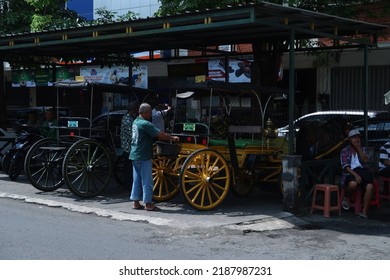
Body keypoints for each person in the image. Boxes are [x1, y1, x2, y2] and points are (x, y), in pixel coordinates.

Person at [130, 103, 179, 211]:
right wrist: (173, 138)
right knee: (147, 180)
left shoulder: (135, 122)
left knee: (136, 179)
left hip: (134, 154)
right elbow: (160, 135)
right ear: (146, 112)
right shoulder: (145, 124)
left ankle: (136, 202)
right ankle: (148, 203)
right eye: (150, 113)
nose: (151, 115)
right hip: (143, 155)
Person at [340, 129, 374, 218]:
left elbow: (366, 160)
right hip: (350, 172)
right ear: (349, 140)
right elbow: (345, 166)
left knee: (370, 187)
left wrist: (359, 149)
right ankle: (346, 197)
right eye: (354, 138)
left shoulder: (363, 149)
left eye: (358, 137)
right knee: (352, 184)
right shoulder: (344, 151)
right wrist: (355, 175)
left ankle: (364, 211)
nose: (356, 139)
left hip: (363, 171)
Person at [120, 100, 139, 191]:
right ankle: (129, 186)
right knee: (129, 169)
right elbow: (132, 135)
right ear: (133, 109)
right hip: (128, 148)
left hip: (128, 146)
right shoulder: (128, 120)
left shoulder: (130, 118)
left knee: (129, 168)